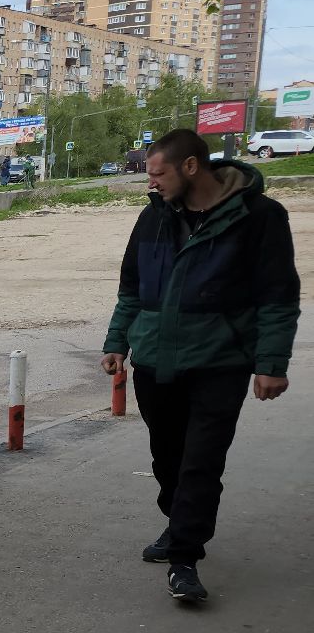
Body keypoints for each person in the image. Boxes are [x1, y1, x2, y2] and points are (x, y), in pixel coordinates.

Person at [101, 128, 300, 605]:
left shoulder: (260, 217)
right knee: (167, 458)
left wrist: (271, 363)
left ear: (191, 167)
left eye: (158, 173)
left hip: (220, 362)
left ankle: (185, 559)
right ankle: (178, 524)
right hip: (155, 359)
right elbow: (131, 288)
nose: (151, 183)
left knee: (201, 461)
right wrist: (117, 341)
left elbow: (278, 296)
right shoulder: (153, 218)